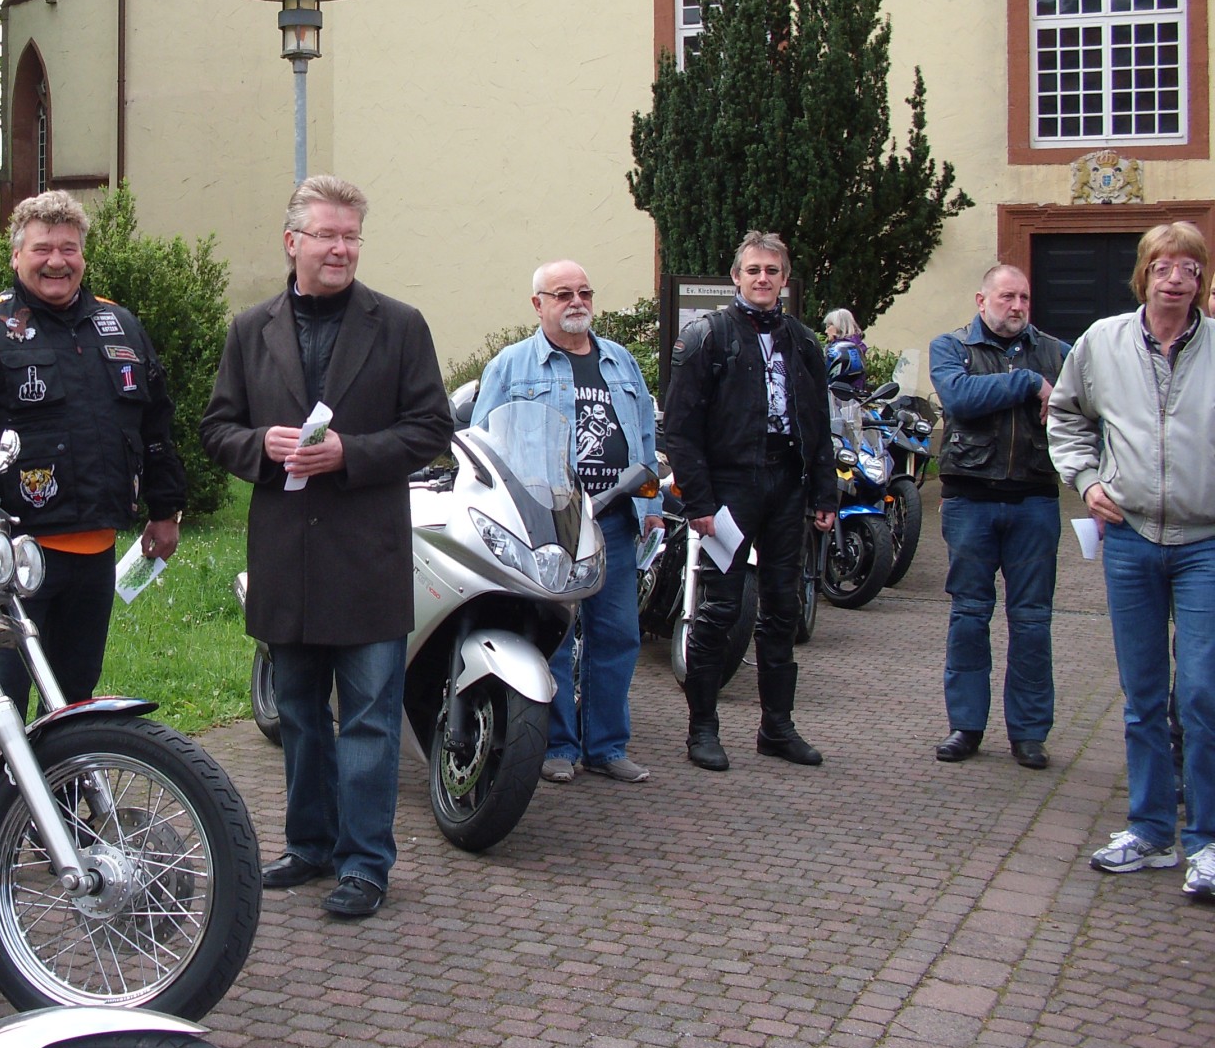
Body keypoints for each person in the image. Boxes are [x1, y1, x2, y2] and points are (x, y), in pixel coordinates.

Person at [201, 176, 451, 919]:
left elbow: (431, 428)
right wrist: (260, 445)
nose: (341, 249)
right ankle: (309, 845)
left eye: (351, 236)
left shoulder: (399, 325)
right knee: (302, 715)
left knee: (370, 717)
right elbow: (217, 428)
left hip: (367, 555)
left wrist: (350, 453)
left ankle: (365, 863)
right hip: (287, 556)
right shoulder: (251, 328)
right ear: (293, 242)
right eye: (327, 235)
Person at [0, 189, 185, 782]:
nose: (56, 261)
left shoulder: (120, 325)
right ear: (17, 255)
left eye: (69, 248)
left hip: (94, 554)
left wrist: (165, 509)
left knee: (74, 702)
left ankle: (58, 818)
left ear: (83, 256)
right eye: (42, 249)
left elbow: (155, 425)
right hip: (11, 558)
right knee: (2, 706)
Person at [1048, 220, 1215, 900]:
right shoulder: (1101, 342)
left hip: (1207, 544)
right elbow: (1066, 416)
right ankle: (1150, 831)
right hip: (1131, 538)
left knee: (1201, 693)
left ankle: (1205, 840)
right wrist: (1088, 481)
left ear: (1202, 280)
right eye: (1163, 266)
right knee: (1143, 695)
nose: (1176, 279)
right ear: (1144, 275)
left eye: (1189, 269)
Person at [472, 259, 662, 784]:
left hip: (615, 521)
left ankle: (607, 746)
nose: (576, 302)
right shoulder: (511, 366)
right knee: (551, 635)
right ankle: (557, 746)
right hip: (548, 525)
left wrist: (650, 510)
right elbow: (484, 443)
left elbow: (645, 439)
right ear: (538, 305)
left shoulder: (621, 361)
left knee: (617, 635)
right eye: (562, 294)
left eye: (584, 292)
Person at [660, 230, 838, 770]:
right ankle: (702, 730)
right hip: (729, 489)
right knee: (719, 610)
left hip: (787, 485)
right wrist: (698, 501)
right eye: (753, 270)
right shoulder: (707, 337)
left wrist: (825, 491)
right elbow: (680, 429)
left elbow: (819, 422)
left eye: (772, 271)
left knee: (783, 609)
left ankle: (777, 728)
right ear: (736, 277)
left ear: (785, 279)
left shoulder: (803, 342)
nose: (763, 279)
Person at [927, 266, 1067, 769]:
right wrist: (1028, 382)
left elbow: (1085, 408)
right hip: (970, 501)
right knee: (969, 615)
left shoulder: (1058, 353)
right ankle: (966, 726)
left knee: (1032, 620)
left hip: (1035, 500)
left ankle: (1029, 733)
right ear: (982, 300)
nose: (1018, 306)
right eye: (1008, 296)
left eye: (1024, 298)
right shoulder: (952, 348)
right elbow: (960, 398)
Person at [822, 308, 871, 399]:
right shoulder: (857, 348)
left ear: (838, 326)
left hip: (839, 400)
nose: (826, 331)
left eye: (828, 326)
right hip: (853, 400)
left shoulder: (839, 350)